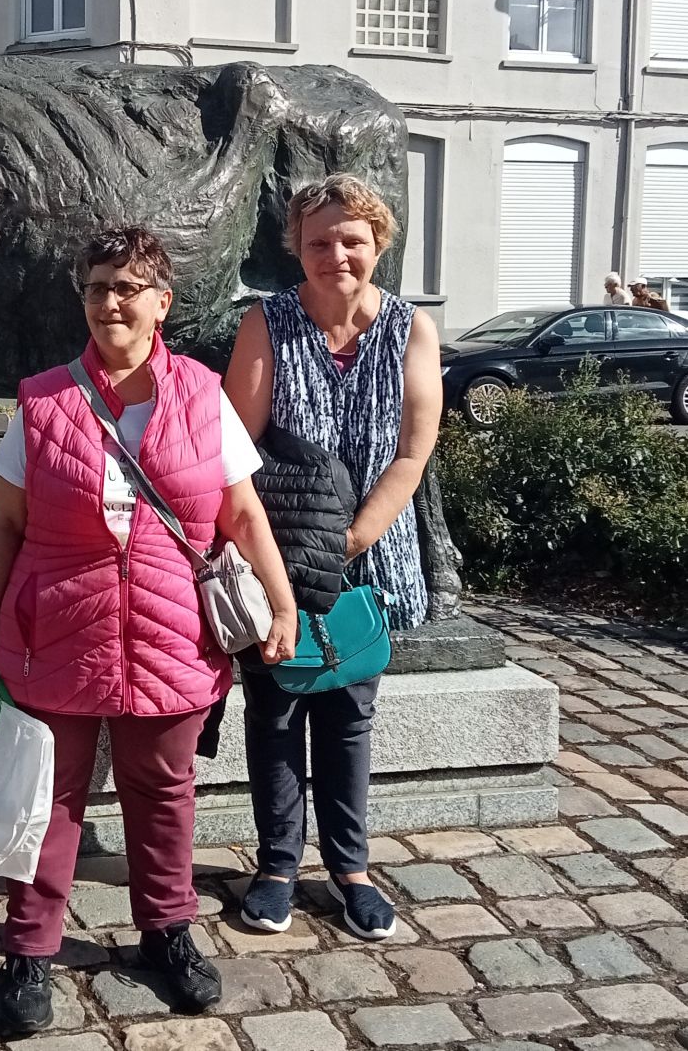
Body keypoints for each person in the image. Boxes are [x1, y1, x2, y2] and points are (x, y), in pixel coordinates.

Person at [0, 228, 298, 1034]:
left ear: (162, 302)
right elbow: (5, 526)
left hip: (170, 631)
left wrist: (282, 605)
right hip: (58, 629)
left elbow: (242, 513)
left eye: (128, 286)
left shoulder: (200, 392)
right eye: (96, 287)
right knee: (48, 800)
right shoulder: (43, 399)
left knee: (164, 794)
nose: (110, 301)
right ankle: (29, 950)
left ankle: (167, 932)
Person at [224, 172, 442, 942]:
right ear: (298, 249)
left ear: (377, 243)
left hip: (369, 561)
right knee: (276, 710)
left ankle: (351, 867)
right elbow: (235, 449)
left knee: (350, 716)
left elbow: (413, 453)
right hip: (276, 556)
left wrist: (349, 540)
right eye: (319, 241)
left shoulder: (412, 330)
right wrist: (284, 560)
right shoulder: (268, 323)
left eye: (352, 239)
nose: (336, 254)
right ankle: (278, 864)